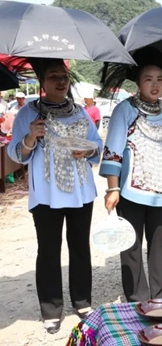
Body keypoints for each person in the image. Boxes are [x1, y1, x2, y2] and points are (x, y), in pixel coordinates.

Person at [7, 58, 103, 334]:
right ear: (42, 82)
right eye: (53, 77)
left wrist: (87, 150)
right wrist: (30, 138)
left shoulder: (80, 112)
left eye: (64, 76)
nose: (61, 81)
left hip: (81, 191)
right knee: (48, 251)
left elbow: (97, 144)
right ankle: (51, 309)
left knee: (80, 246)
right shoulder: (28, 113)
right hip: (47, 194)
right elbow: (15, 154)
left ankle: (83, 302)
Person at [99, 47, 162, 302]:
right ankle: (136, 298)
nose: (155, 85)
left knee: (158, 245)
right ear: (138, 82)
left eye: (160, 79)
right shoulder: (125, 110)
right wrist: (112, 188)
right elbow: (113, 151)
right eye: (148, 79)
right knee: (130, 244)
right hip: (131, 190)